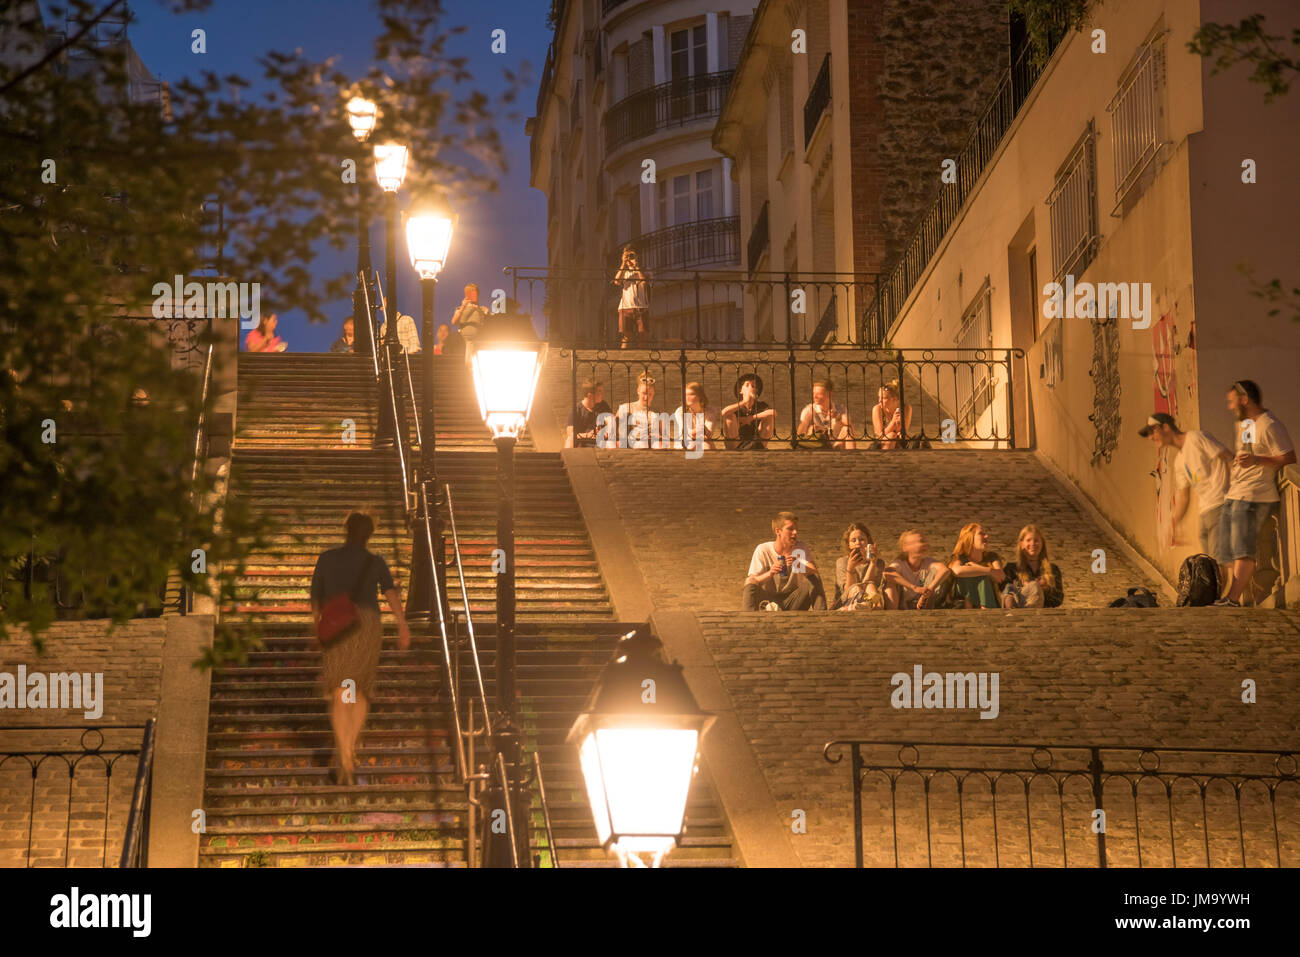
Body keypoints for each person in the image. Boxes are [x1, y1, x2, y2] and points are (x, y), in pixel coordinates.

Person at [310, 512, 411, 786]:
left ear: (346, 529)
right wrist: (402, 625)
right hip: (366, 625)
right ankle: (349, 748)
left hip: (336, 623)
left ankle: (343, 753)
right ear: (370, 534)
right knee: (359, 690)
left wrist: (315, 628)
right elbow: (390, 593)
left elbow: (315, 598)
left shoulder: (327, 559)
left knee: (342, 690)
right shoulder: (375, 561)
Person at [1215, 379, 1296, 606]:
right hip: (1236, 494)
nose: (1230, 407)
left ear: (1244, 399)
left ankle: (1232, 600)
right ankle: (1240, 596)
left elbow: (1289, 458)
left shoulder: (1270, 425)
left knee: (1243, 548)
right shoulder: (1247, 424)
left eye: (1232, 402)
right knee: (1227, 550)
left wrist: (1258, 459)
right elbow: (1249, 456)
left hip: (1255, 496)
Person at [1139, 412, 1230, 582]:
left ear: (1166, 427)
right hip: (1205, 513)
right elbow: (1183, 497)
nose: (1151, 437)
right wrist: (1174, 523)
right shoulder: (1179, 462)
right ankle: (1217, 602)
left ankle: (1220, 603)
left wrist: (1240, 489)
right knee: (1211, 565)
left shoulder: (1196, 438)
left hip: (1220, 504)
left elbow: (1226, 457)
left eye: (1153, 431)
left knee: (1218, 563)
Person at [742, 511, 826, 611]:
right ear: (778, 531)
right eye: (790, 529)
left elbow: (814, 572)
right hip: (769, 602)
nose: (795, 533)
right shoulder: (763, 549)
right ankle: (749, 621)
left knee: (813, 577)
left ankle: (823, 615)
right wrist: (770, 573)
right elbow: (753, 580)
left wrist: (799, 564)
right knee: (749, 581)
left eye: (796, 529)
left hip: (794, 600)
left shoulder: (801, 548)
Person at [883, 530, 953, 609]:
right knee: (890, 582)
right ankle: (892, 614)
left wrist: (929, 590)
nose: (923, 545)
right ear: (905, 547)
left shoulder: (929, 562)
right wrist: (914, 588)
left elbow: (945, 570)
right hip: (903, 604)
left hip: (926, 602)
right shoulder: (900, 564)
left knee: (941, 577)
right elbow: (887, 573)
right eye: (919, 542)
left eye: (924, 541)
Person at [1001, 524, 1064, 608]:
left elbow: (1058, 600)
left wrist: (1045, 589)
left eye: (1036, 540)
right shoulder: (1011, 569)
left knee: (1034, 586)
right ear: (1021, 544)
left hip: (1042, 616)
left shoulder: (1053, 569)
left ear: (1042, 544)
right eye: (1028, 540)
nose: (1033, 544)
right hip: (1017, 615)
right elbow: (1003, 591)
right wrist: (1025, 587)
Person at [948, 523, 1006, 608]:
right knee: (975, 575)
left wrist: (975, 566)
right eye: (981, 534)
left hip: (991, 602)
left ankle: (984, 608)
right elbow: (957, 571)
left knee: (982, 577)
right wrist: (989, 571)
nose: (987, 536)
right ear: (969, 538)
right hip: (963, 603)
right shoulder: (958, 557)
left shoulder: (991, 556)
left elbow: (1001, 577)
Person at [833, 523, 885, 610]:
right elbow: (847, 589)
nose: (858, 543)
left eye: (861, 539)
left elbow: (870, 584)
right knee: (856, 587)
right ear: (848, 544)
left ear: (868, 542)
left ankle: (867, 607)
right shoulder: (842, 562)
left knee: (871, 586)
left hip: (868, 596)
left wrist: (872, 564)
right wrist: (850, 568)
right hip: (848, 599)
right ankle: (866, 606)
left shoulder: (879, 563)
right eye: (853, 540)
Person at [722, 373, 776, 450]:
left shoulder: (761, 405)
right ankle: (734, 449)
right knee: (729, 416)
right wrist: (744, 402)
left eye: (753, 386)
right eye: (747, 385)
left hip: (756, 443)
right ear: (740, 390)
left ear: (756, 391)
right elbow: (724, 412)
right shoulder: (736, 407)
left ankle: (761, 446)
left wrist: (750, 418)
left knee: (769, 417)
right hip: (736, 444)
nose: (751, 387)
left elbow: (773, 412)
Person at [612, 371, 665, 449]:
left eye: (650, 394)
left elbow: (664, 435)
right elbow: (616, 434)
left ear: (654, 393)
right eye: (644, 393)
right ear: (638, 391)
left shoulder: (658, 412)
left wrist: (658, 436)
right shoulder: (626, 407)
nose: (646, 397)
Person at [799, 380, 855, 449]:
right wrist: (806, 421)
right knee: (811, 429)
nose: (814, 396)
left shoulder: (840, 409)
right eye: (814, 393)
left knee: (847, 429)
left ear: (829, 394)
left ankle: (853, 456)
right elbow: (799, 436)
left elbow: (851, 426)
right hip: (817, 445)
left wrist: (838, 417)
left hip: (836, 445)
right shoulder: (809, 409)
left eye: (818, 394)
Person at [612, 246, 650, 349]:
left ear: (638, 256)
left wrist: (637, 267)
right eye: (627, 255)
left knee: (643, 338)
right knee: (626, 338)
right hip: (625, 307)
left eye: (632, 255)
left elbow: (644, 282)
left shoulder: (645, 270)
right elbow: (616, 281)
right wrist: (623, 263)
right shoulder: (624, 271)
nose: (629, 258)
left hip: (641, 307)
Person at [673, 381, 720, 453]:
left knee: (706, 443)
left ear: (700, 396)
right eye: (685, 395)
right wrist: (701, 429)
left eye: (691, 394)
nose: (687, 397)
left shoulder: (710, 411)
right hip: (685, 443)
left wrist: (701, 431)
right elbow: (688, 434)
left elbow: (708, 434)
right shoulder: (680, 411)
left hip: (703, 441)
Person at [566, 378, 612, 449]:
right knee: (569, 441)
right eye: (599, 391)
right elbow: (570, 433)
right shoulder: (577, 409)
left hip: (600, 441)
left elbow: (610, 421)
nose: (602, 393)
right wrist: (588, 435)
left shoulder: (603, 405)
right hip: (582, 441)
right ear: (590, 395)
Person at [872, 380, 912, 450]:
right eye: (879, 397)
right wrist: (893, 422)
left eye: (883, 398)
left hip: (899, 440)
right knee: (891, 436)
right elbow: (880, 435)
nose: (879, 400)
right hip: (881, 443)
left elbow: (903, 431)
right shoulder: (877, 409)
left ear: (894, 399)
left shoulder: (906, 408)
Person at [450, 283, 488, 349]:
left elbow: (487, 324)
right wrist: (463, 306)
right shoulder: (460, 309)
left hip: (479, 339)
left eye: (473, 292)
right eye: (468, 292)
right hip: (463, 339)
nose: (471, 295)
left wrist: (485, 313)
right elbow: (454, 322)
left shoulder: (482, 309)